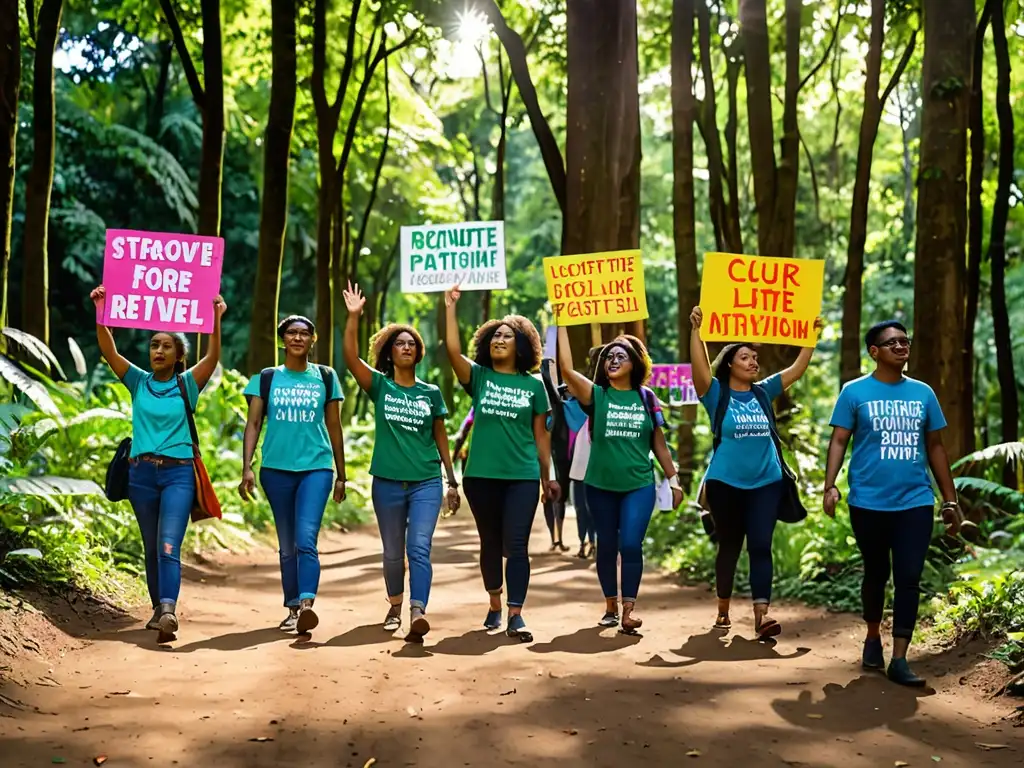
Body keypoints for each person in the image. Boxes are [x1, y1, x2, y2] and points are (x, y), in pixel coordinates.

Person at [823, 320, 963, 687]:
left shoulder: (923, 394)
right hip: (868, 501)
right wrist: (830, 485)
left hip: (915, 501)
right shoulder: (854, 392)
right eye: (893, 343)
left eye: (905, 341)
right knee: (876, 573)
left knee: (909, 577)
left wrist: (950, 499)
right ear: (874, 352)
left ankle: (899, 658)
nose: (902, 347)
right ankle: (872, 636)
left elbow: (935, 446)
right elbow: (839, 440)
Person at [90, 286, 226, 639]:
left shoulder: (188, 383)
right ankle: (157, 609)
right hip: (141, 475)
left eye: (166, 346)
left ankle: (168, 609)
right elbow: (109, 350)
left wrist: (216, 320)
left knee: (168, 543)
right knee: (151, 545)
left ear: (179, 355)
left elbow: (211, 358)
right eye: (154, 345)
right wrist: (101, 310)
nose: (158, 351)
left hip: (178, 474)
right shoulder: (138, 381)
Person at [689, 306, 822, 640]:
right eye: (745, 357)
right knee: (730, 546)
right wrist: (697, 330)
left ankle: (762, 615)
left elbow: (797, 369)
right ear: (731, 363)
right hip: (725, 484)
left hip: (767, 482)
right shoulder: (716, 394)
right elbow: (700, 371)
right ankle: (723, 609)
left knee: (761, 545)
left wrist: (811, 335)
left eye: (754, 358)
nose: (753, 362)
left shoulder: (764, 391)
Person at [341, 282, 460, 642]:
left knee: (418, 548)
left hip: (426, 480)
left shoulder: (431, 393)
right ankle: (395, 603)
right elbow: (349, 357)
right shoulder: (380, 386)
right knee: (393, 551)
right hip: (388, 482)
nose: (406, 347)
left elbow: (440, 436)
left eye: (411, 343)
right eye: (399, 343)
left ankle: (417, 610)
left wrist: (452, 482)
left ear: (418, 353)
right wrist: (353, 316)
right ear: (390, 353)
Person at [444, 284, 558, 643]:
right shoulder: (479, 377)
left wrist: (547, 477)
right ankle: (494, 603)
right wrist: (450, 308)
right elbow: (451, 351)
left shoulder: (535, 385)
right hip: (480, 475)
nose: (498, 340)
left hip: (522, 475)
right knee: (490, 541)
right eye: (494, 336)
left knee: (518, 544)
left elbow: (542, 436)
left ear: (521, 344)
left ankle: (516, 614)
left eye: (506, 336)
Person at [556, 327, 682, 634]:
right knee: (607, 545)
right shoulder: (597, 395)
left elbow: (659, 445)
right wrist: (561, 324)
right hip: (599, 486)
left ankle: (628, 610)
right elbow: (567, 370)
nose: (613, 360)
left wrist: (674, 480)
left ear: (635, 363)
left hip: (638, 484)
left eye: (620, 356)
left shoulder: (645, 397)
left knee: (630, 543)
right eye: (609, 356)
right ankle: (610, 605)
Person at [239, 315, 346, 635]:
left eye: (304, 334)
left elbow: (334, 427)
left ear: (313, 340)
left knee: (305, 539)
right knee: (287, 545)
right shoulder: (266, 378)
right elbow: (254, 424)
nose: (297, 338)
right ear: (282, 340)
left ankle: (307, 605)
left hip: (316, 468)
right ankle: (292, 608)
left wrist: (342, 474)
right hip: (275, 470)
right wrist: (247, 467)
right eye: (291, 333)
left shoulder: (326, 377)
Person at [539, 358, 572, 552]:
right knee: (548, 496)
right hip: (546, 456)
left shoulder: (563, 408)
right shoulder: (541, 409)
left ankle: (558, 535)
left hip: (560, 456)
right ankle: (554, 537)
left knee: (561, 496)